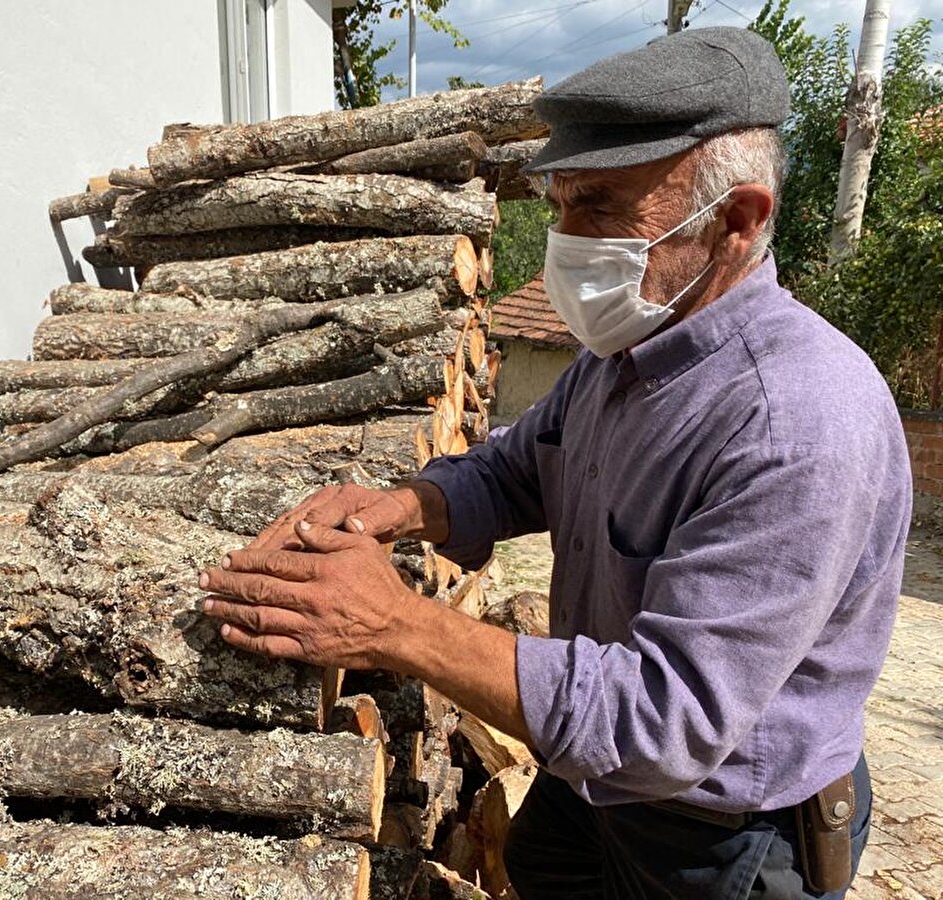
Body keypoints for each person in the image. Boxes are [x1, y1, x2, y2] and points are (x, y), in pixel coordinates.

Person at [198, 26, 912, 899]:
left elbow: (666, 721)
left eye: (603, 207)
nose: (567, 242)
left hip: (724, 840)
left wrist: (399, 625)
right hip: (592, 782)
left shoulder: (796, 421)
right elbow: (517, 470)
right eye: (562, 203)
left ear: (737, 220)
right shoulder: (626, 353)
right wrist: (402, 505)